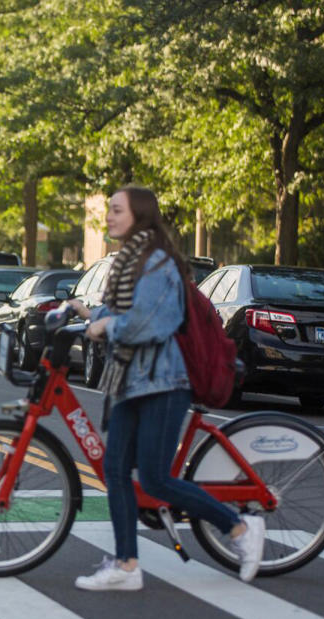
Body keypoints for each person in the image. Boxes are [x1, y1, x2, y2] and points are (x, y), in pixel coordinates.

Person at [68, 185, 265, 591]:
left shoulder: (156, 263)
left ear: (138, 216)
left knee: (156, 481)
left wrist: (108, 325)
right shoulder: (129, 261)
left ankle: (240, 529)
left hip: (161, 383)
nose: (108, 217)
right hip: (129, 381)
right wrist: (87, 313)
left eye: (117, 210)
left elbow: (153, 322)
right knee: (116, 470)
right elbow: (125, 309)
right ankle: (126, 566)